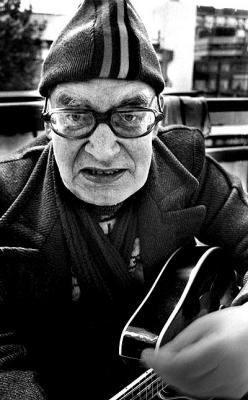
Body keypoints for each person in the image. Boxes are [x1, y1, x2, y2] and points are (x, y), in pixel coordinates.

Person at [1, 0, 248, 399]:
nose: (102, 149)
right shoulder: (7, 198)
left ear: (158, 119)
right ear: (49, 123)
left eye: (131, 116)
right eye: (75, 115)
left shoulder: (188, 166)